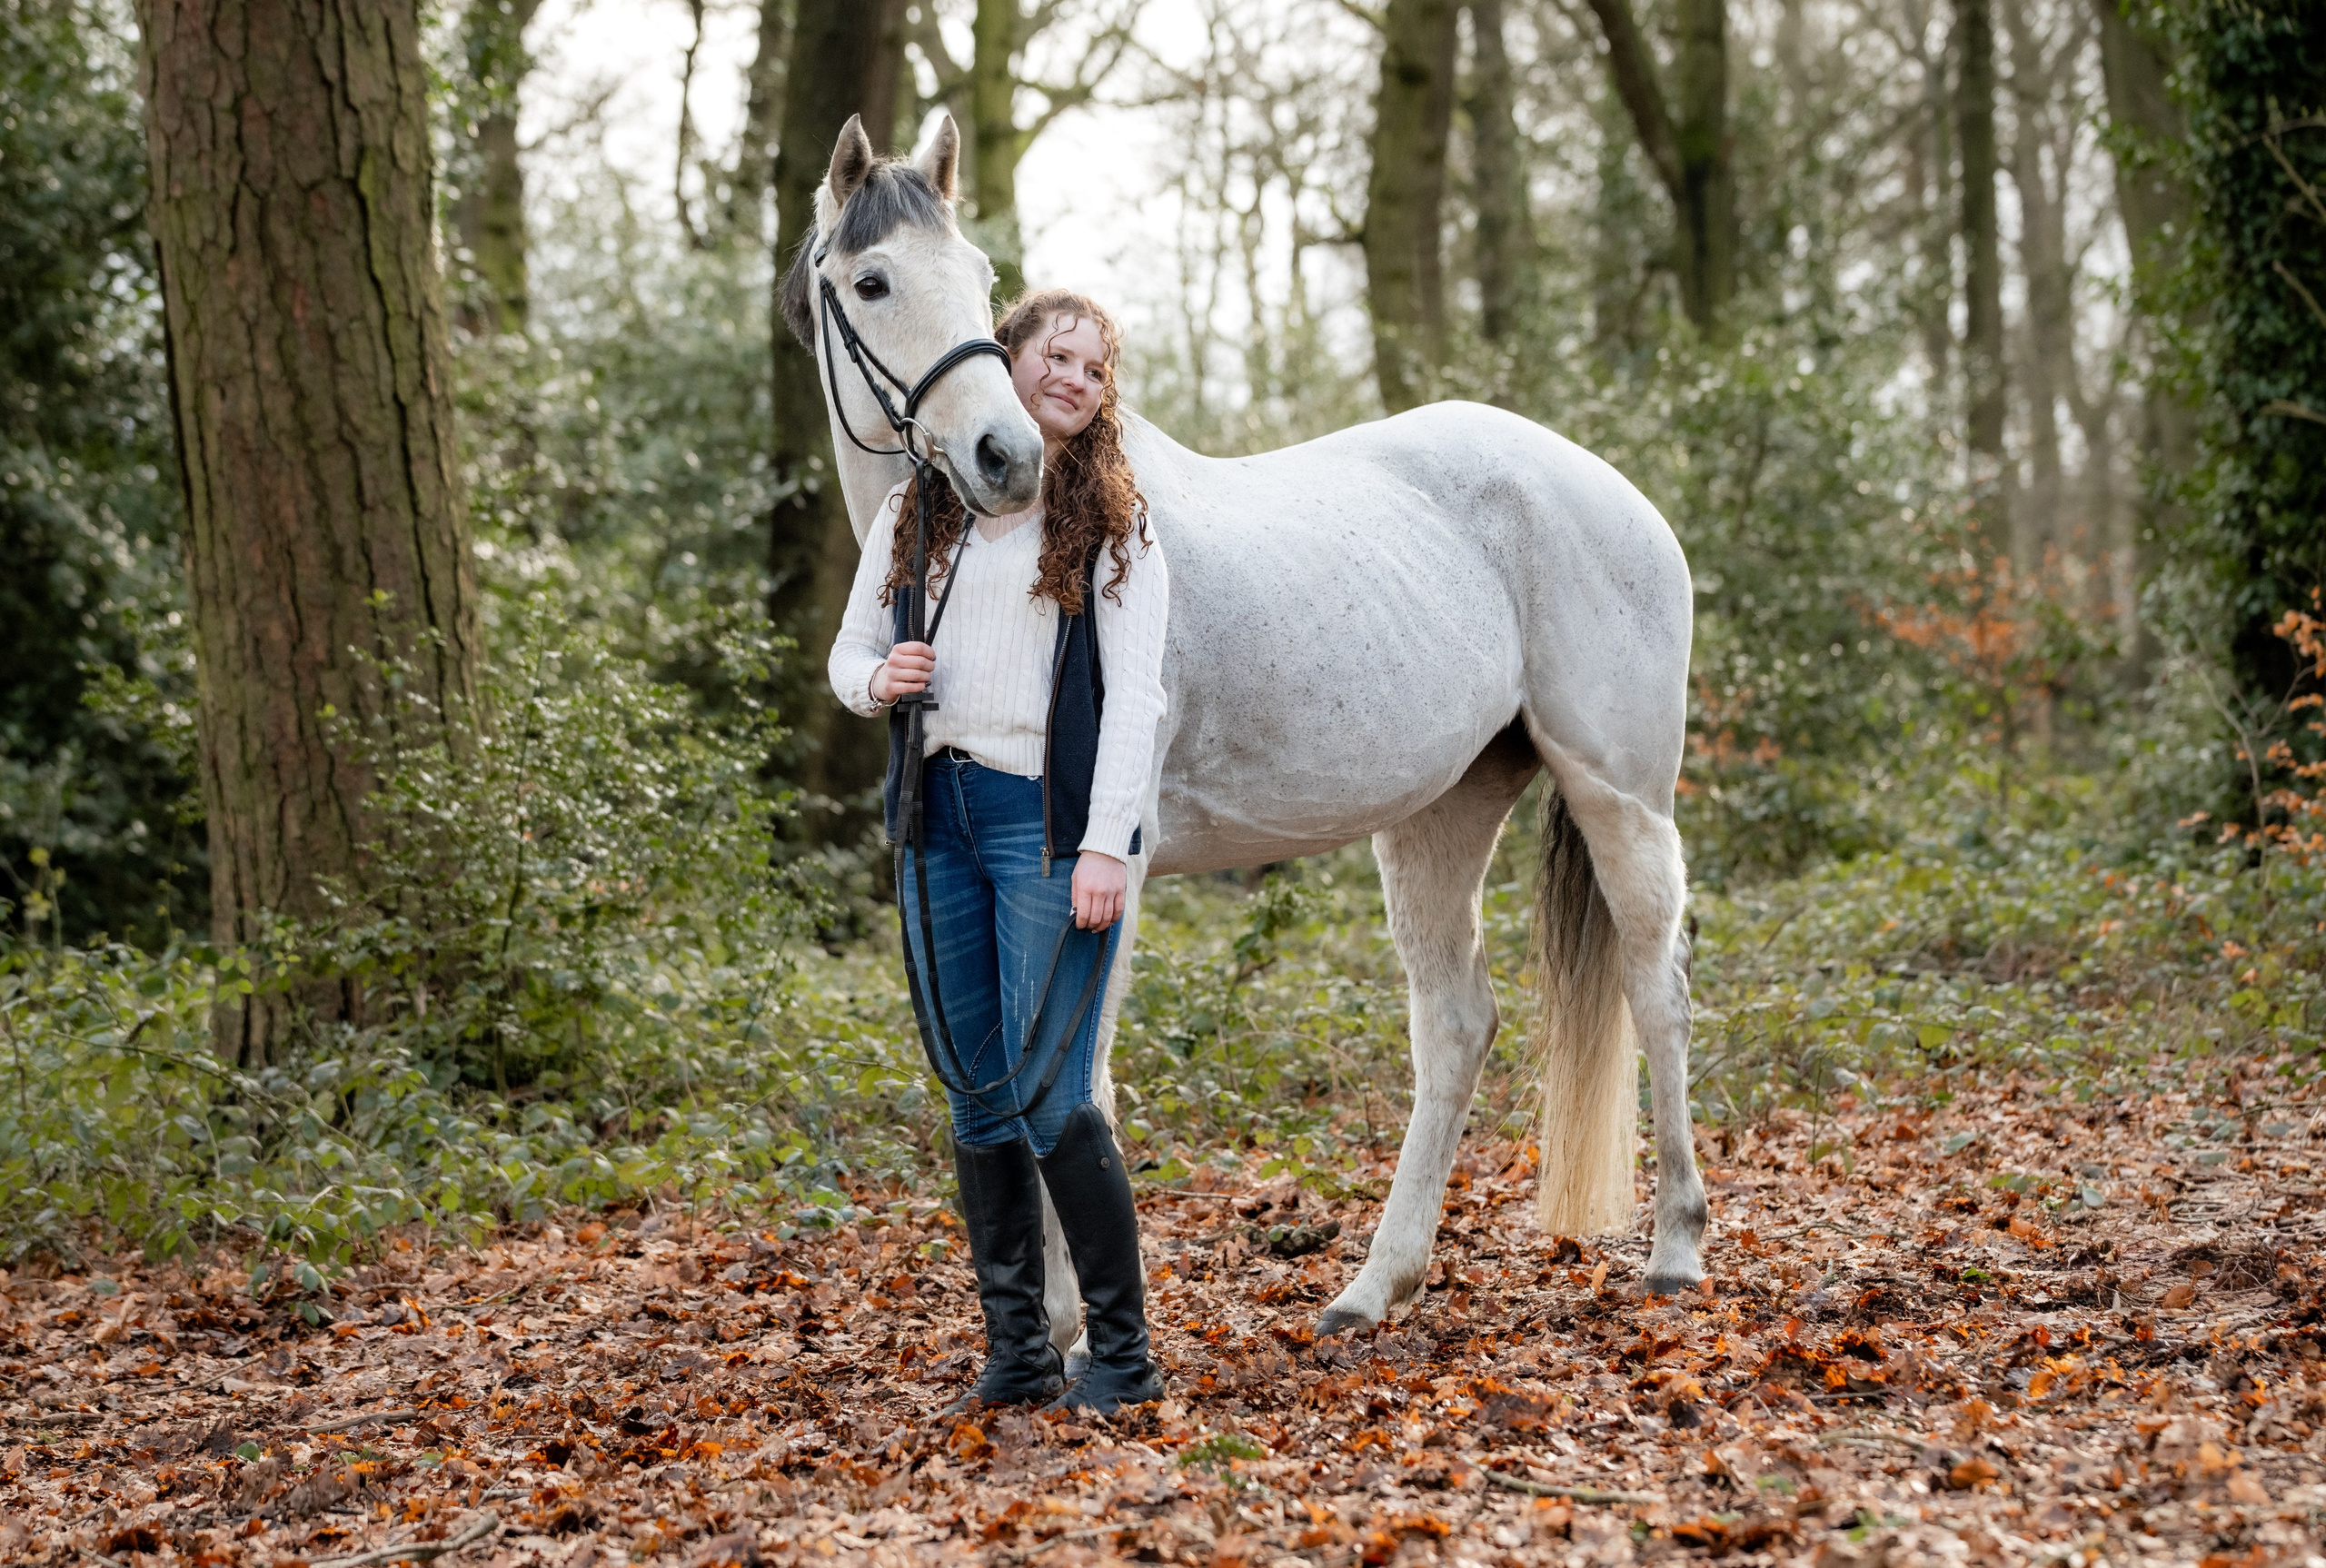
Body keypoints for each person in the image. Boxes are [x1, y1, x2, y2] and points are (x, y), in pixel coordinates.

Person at [828, 289, 1169, 1415]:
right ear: (1004, 361)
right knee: (975, 1097)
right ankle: (1018, 1351)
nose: (1071, 377)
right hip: (940, 824)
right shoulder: (914, 513)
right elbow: (848, 652)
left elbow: (1137, 703)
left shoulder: (1118, 523)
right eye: (1052, 355)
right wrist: (880, 680)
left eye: (1093, 367)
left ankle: (1120, 1354)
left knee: (1054, 1095)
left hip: (1044, 828)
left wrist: (1106, 846)